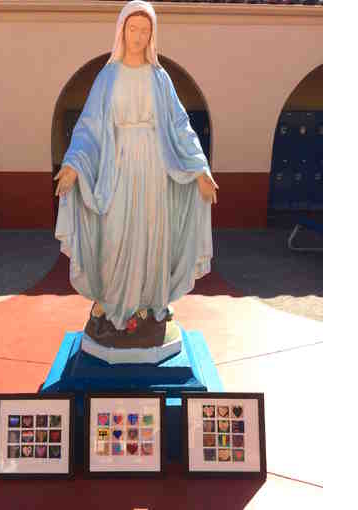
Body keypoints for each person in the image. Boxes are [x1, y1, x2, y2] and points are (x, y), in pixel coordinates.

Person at [54, 0, 218, 341]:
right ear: (122, 31)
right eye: (133, 29)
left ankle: (149, 304)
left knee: (152, 234)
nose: (139, 36)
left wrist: (200, 169)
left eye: (145, 30)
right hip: (116, 168)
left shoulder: (160, 78)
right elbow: (90, 126)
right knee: (114, 235)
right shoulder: (107, 77)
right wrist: (73, 163)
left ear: (152, 35)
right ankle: (111, 302)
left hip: (155, 170)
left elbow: (180, 125)